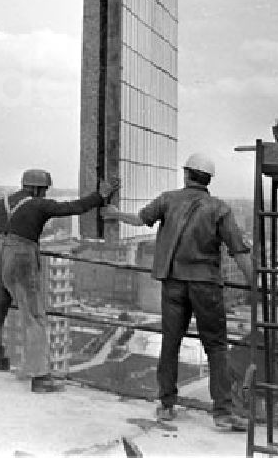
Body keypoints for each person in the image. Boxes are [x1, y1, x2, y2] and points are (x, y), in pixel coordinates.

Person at [102, 153, 252, 431]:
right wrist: (256, 286)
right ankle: (222, 411)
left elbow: (138, 220)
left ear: (186, 174)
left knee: (170, 343)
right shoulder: (219, 209)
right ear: (208, 180)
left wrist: (113, 214)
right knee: (216, 347)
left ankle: (167, 405)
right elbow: (240, 252)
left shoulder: (168, 199)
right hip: (206, 285)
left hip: (173, 282)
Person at [0, 169, 118, 393]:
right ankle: (41, 378)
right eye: (44, 190)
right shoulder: (37, 204)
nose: (44, 195)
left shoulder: (1, 203)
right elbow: (72, 208)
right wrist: (100, 196)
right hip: (20, 257)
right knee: (33, 317)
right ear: (37, 189)